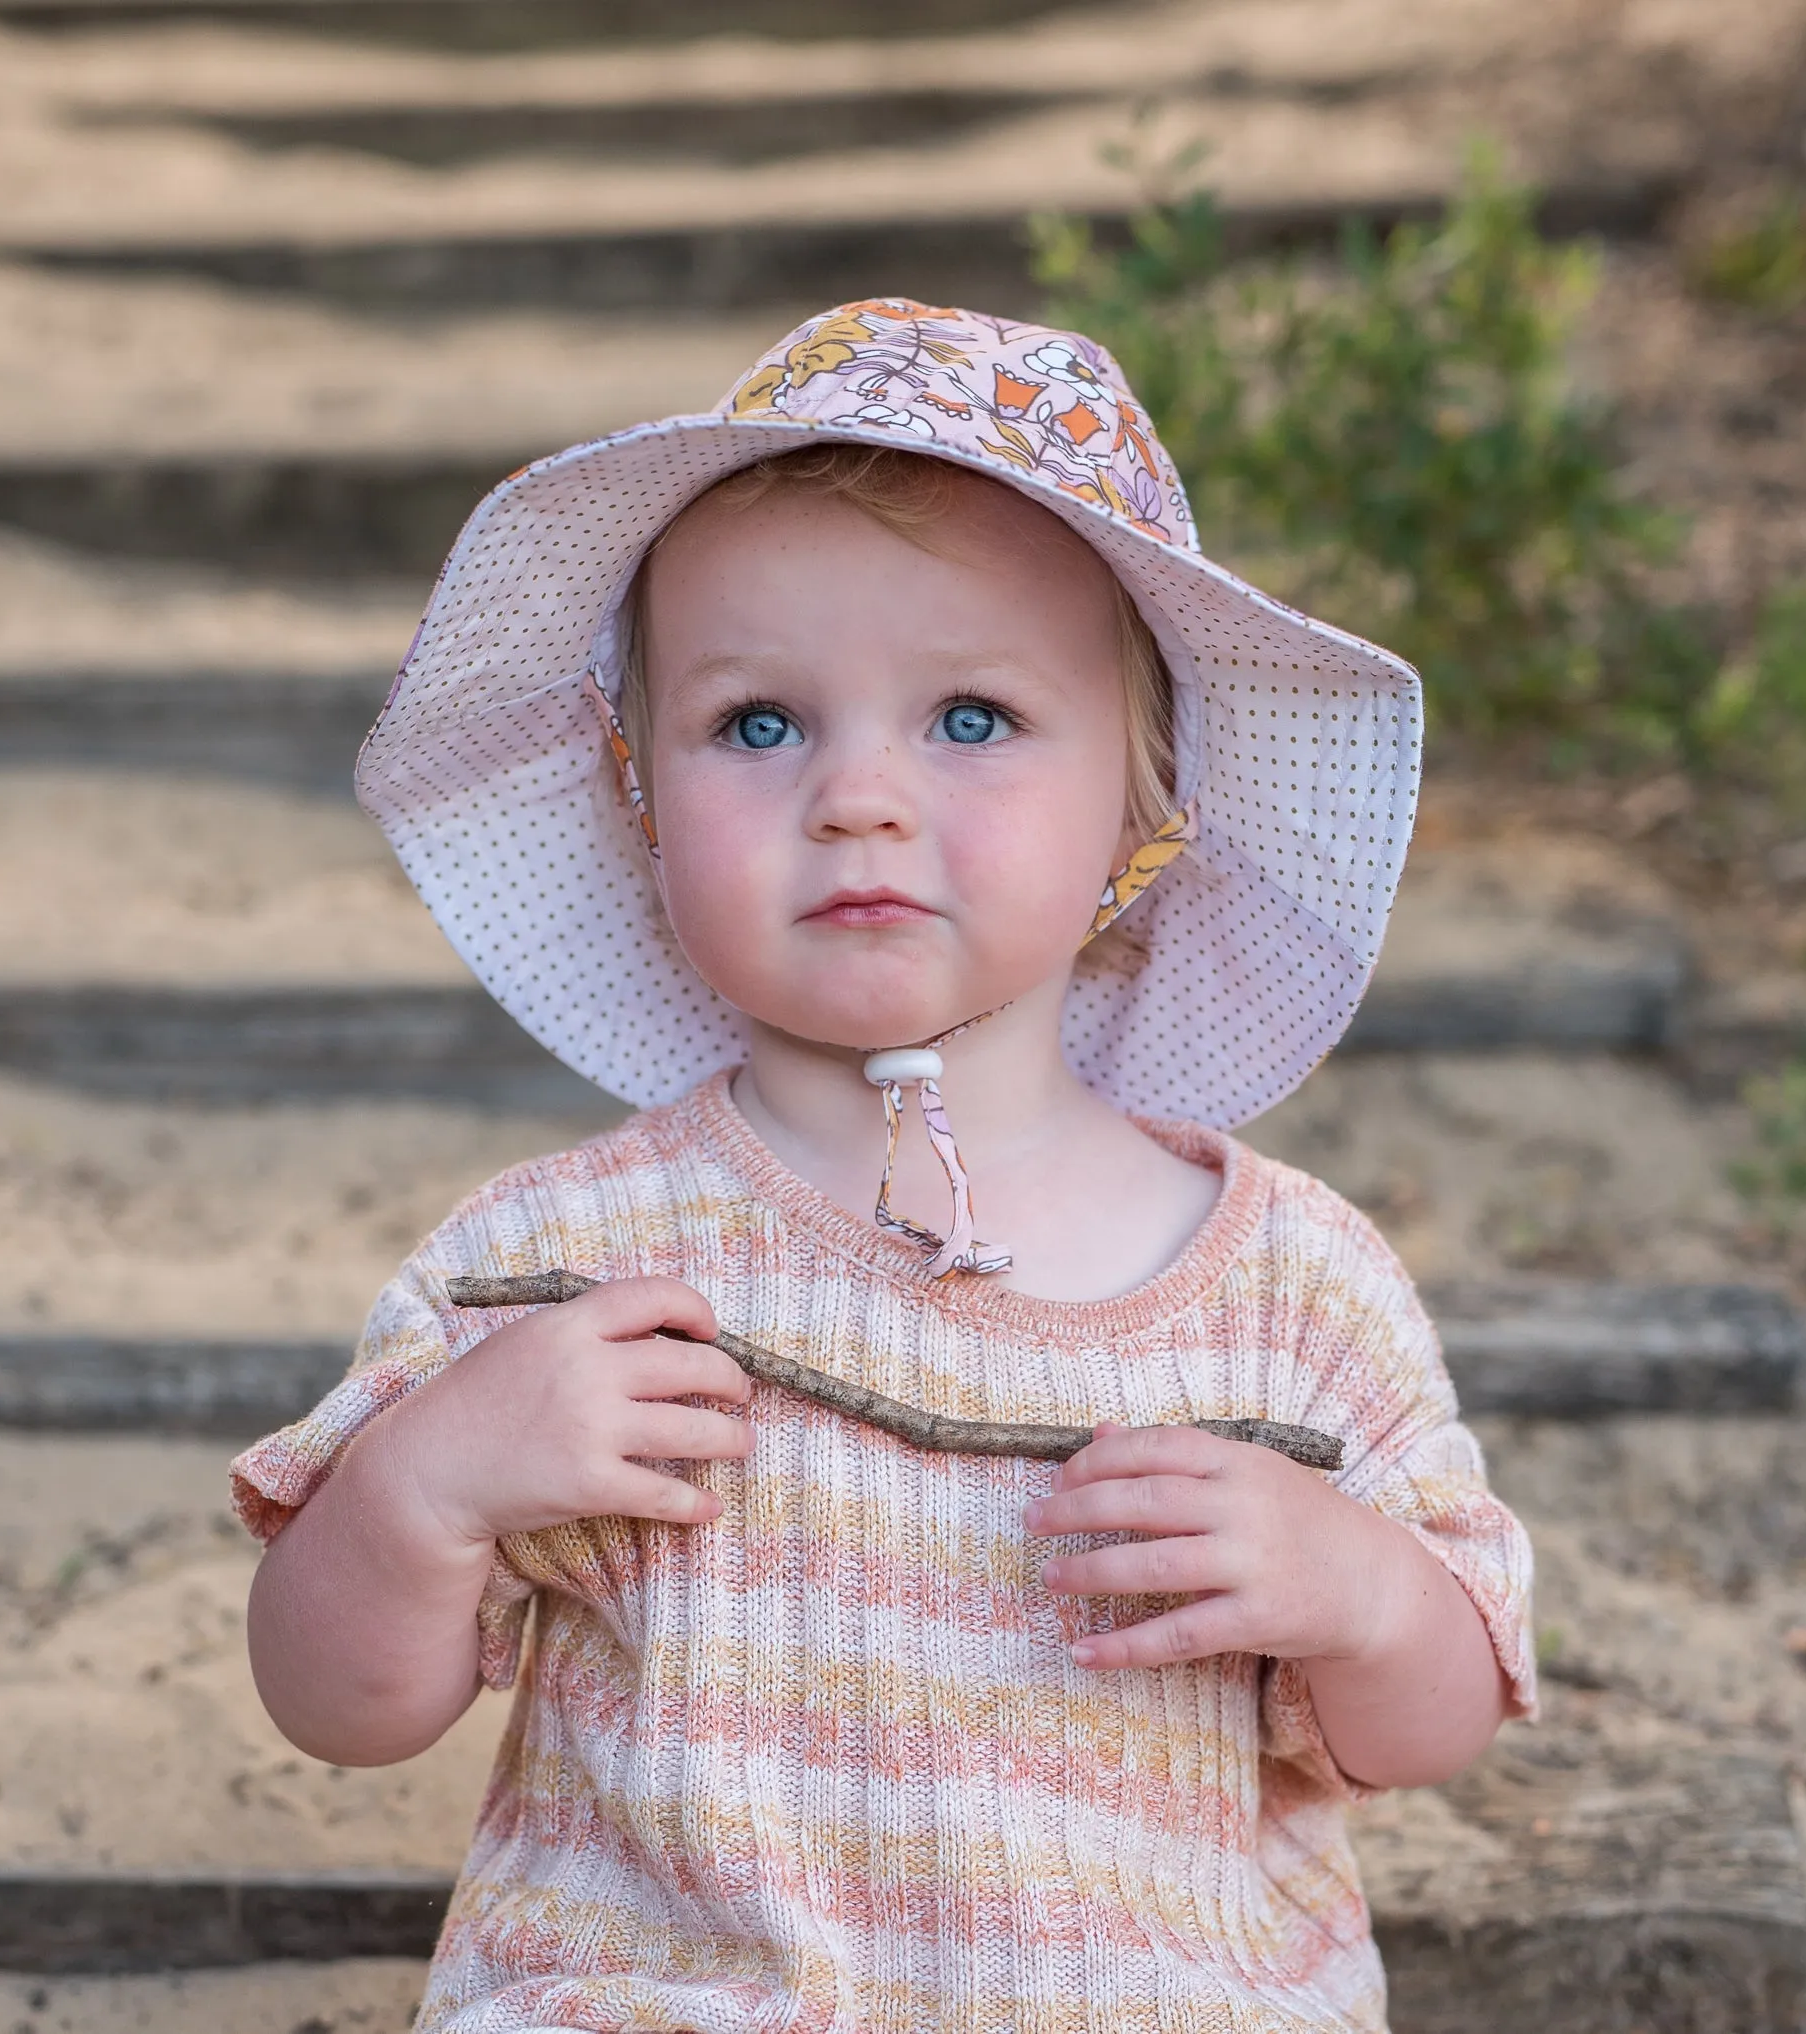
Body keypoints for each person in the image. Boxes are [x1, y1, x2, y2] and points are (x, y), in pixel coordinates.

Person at [232, 299, 1534, 2032]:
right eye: (758, 723)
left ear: (1149, 810)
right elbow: (338, 1703)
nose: (857, 794)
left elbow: (1426, 1725)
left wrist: (1365, 1594)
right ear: (637, 798)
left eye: (974, 719)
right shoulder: (562, 1256)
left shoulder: (1295, 1288)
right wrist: (420, 1491)